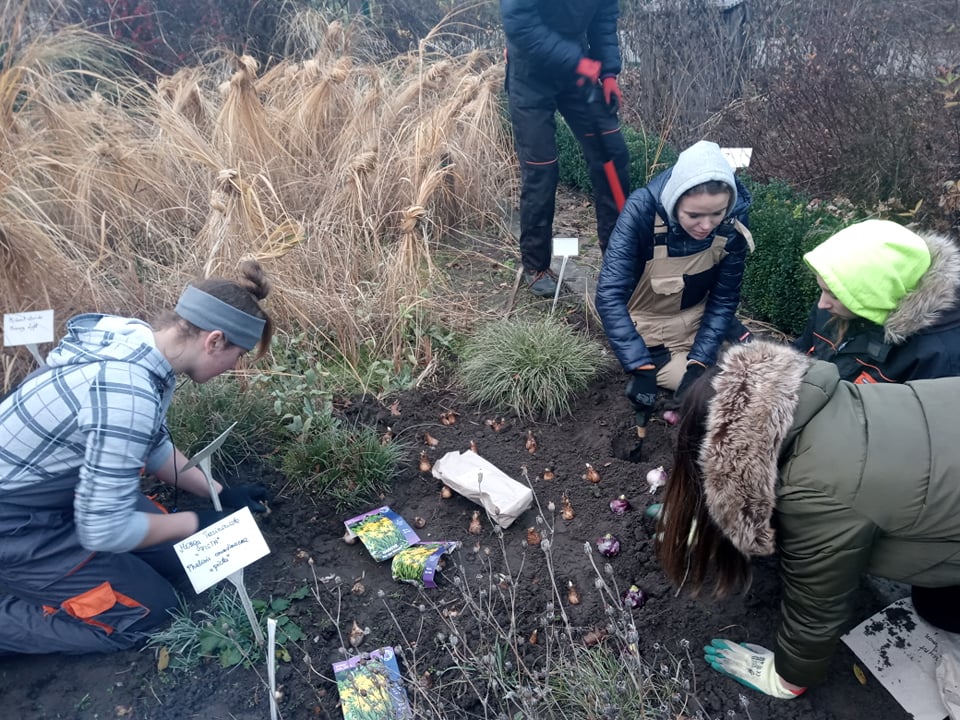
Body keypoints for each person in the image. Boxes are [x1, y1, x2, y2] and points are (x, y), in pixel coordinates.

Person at [655, 340, 960, 699]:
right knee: (934, 603)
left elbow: (817, 604)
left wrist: (787, 679)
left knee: (943, 611)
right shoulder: (824, 400)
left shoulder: (817, 492)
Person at [0, 260, 274, 655]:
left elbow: (153, 446)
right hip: (20, 527)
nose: (236, 367)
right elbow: (105, 531)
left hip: (72, 493)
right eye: (239, 355)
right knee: (147, 613)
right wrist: (196, 519)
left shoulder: (140, 347)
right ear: (214, 340)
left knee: (187, 558)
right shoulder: (125, 393)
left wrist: (219, 492)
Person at [595, 139, 752, 456]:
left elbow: (723, 299)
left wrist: (698, 362)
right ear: (675, 201)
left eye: (716, 214)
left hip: (699, 320)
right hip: (652, 332)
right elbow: (609, 296)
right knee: (716, 395)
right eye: (694, 215)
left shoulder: (733, 220)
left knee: (751, 376)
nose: (706, 226)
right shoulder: (642, 212)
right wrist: (639, 368)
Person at [501, 0, 630, 297]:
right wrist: (578, 61)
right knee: (542, 169)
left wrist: (608, 71)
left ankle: (617, 256)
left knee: (611, 153)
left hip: (578, 73)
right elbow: (519, 23)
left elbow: (604, 16)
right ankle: (536, 266)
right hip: (530, 72)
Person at [794, 218, 960, 383]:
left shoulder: (938, 355)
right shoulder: (834, 308)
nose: (822, 304)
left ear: (877, 293)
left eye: (836, 295)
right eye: (822, 290)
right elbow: (800, 352)